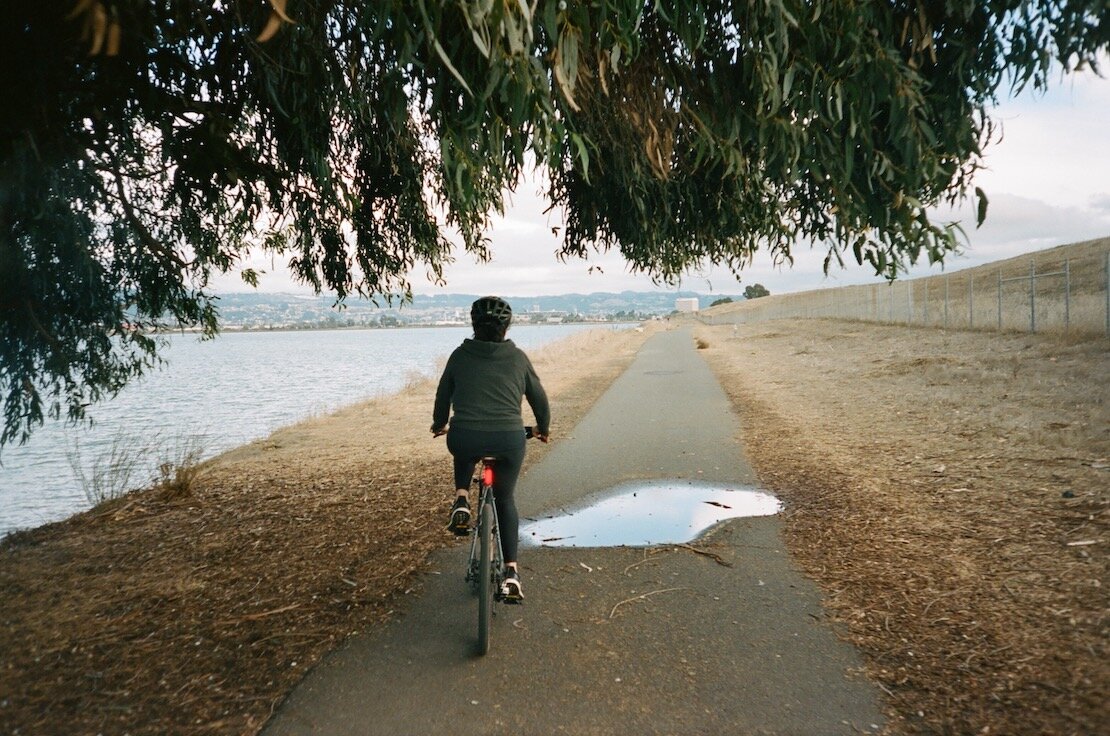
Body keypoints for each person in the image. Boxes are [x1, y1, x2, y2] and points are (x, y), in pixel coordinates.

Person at [431, 296, 550, 602]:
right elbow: (539, 399)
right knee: (505, 498)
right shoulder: (519, 358)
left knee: (465, 445)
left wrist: (439, 423)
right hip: (508, 439)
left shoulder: (459, 355)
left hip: (464, 437)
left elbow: (443, 395)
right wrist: (543, 429)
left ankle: (461, 498)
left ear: (473, 324)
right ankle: (511, 573)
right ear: (506, 326)